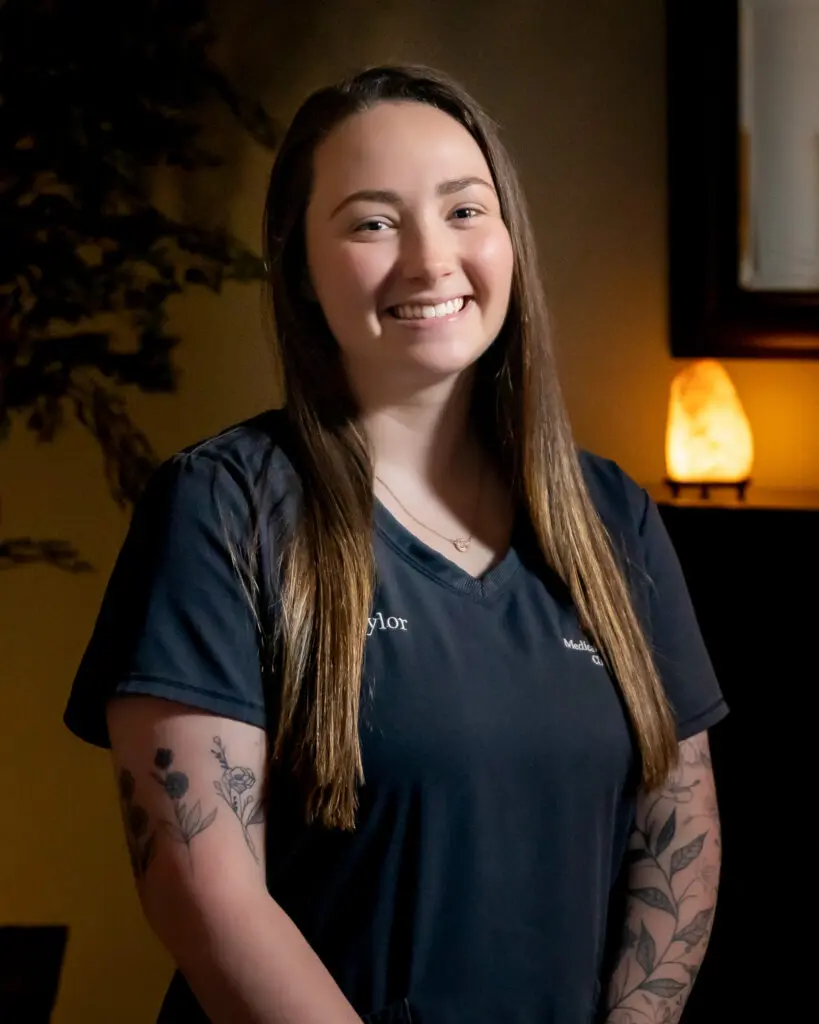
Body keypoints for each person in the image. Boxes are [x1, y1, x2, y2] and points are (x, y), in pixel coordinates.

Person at [64, 65, 727, 1024]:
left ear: (507, 239)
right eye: (372, 222)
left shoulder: (608, 514)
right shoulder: (221, 508)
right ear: (299, 266)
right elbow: (203, 894)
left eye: (465, 210)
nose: (429, 260)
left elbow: (680, 835)